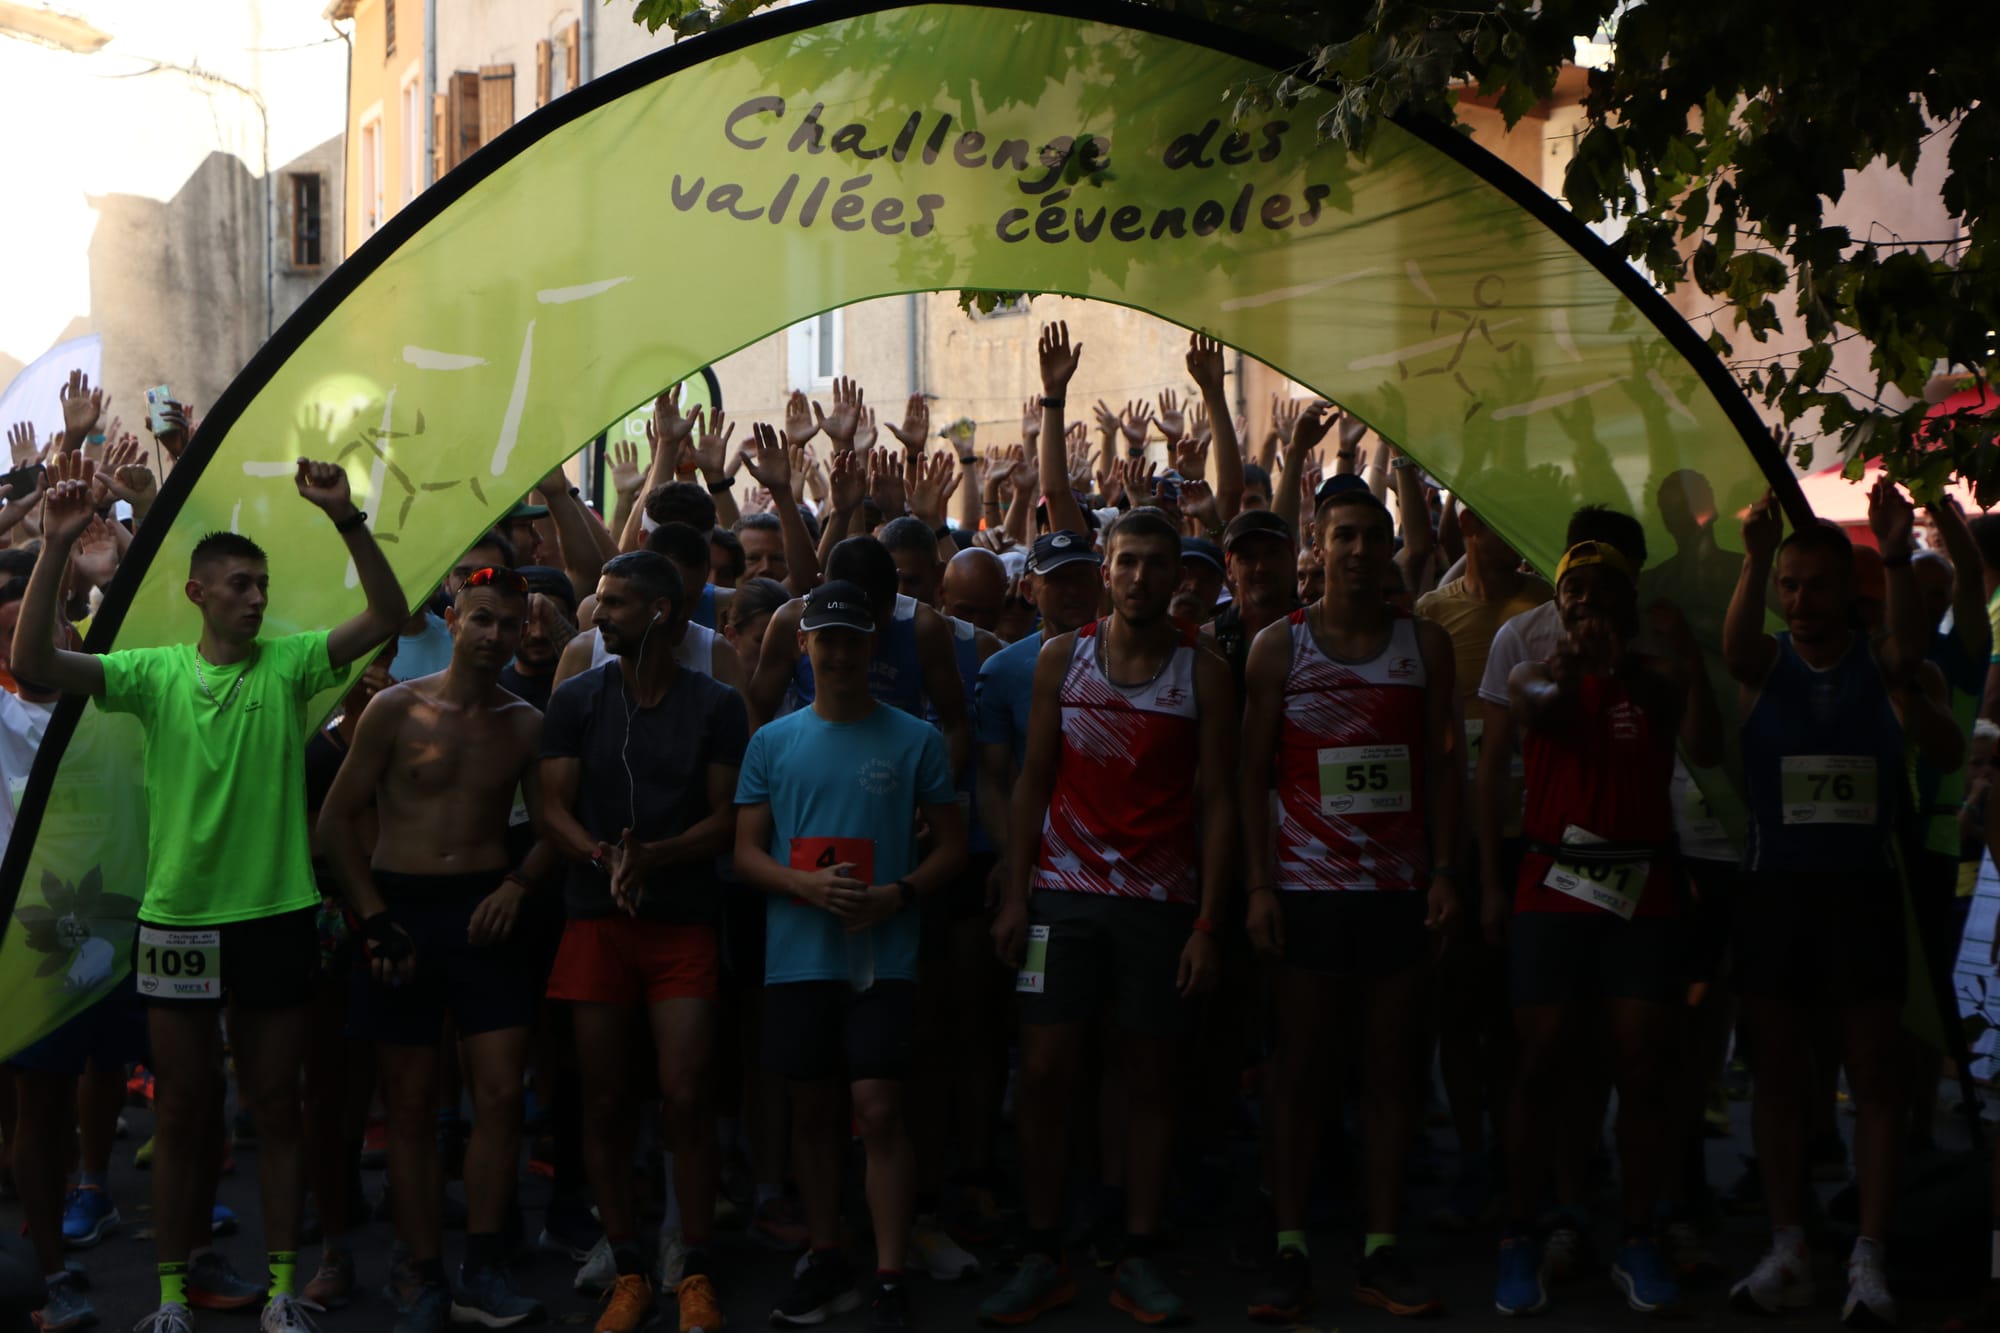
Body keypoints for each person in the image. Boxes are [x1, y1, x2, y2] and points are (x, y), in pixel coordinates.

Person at [11, 451, 408, 1333]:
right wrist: (52, 547)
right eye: (239, 585)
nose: (256, 598)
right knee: (186, 1112)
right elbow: (32, 654)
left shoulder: (294, 663)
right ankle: (168, 1298)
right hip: (178, 922)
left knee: (276, 1107)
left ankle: (279, 1290)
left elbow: (387, 614)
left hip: (275, 919)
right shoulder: (151, 674)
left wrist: (345, 516)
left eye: (262, 584)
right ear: (197, 594)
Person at [984, 508, 1236, 1326]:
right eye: (1126, 562)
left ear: (1177, 576)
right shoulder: (1064, 658)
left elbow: (1223, 802)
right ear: (1106, 569)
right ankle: (1041, 1249)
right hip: (1062, 896)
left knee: (1150, 1078)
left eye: (1157, 564)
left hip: (1158, 906)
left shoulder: (1204, 672)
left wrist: (1208, 922)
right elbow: (1032, 782)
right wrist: (1018, 894)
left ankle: (1140, 1252)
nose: (1139, 578)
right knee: (1047, 1073)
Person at [1723, 484, 1960, 1327]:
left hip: (1861, 900)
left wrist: (1896, 554)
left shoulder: (1891, 671)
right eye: (1788, 585)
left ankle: (1867, 1256)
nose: (1799, 601)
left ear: (1846, 595)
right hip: (1779, 900)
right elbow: (1737, 641)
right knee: (1782, 1079)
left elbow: (1908, 658)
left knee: (1875, 1081)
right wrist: (1753, 557)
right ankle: (1788, 1245)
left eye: (1814, 585)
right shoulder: (1765, 664)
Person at [1238, 474, 1460, 1322]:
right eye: (1345, 536)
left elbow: (1444, 764)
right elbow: (1250, 775)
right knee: (1299, 1073)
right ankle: (1291, 1246)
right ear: (1316, 545)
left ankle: (1380, 1246)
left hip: (1399, 892)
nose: (1360, 550)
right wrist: (1259, 885)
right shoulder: (1277, 649)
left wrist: (1445, 871)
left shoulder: (1424, 644)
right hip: (1304, 893)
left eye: (1374, 535)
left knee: (1393, 1072)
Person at [317, 564, 550, 1331]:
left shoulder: (523, 723)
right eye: (481, 618)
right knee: (410, 1104)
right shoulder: (392, 709)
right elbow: (337, 823)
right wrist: (376, 918)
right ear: (452, 619)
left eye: (508, 624)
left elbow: (553, 828)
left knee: (499, 1094)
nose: (493, 635)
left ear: (523, 632)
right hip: (402, 910)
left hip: (486, 910)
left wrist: (518, 883)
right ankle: (420, 1272)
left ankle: (482, 1265)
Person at [1491, 542, 1721, 1319]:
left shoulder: (1653, 678)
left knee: (1643, 1062)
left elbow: (1695, 728)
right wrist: (1576, 669)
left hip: (1643, 888)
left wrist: (1625, 665)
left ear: (1624, 605)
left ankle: (1640, 1232)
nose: (1585, 605)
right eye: (1572, 593)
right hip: (1554, 882)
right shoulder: (1536, 669)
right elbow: (1534, 706)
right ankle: (1523, 1233)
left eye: (1600, 593)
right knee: (1543, 1058)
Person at [733, 580, 967, 1330]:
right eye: (823, 638)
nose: (836, 652)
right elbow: (745, 852)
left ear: (874, 646)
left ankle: (891, 1271)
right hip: (797, 957)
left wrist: (897, 894)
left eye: (850, 638)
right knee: (812, 1111)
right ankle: (828, 1252)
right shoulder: (771, 741)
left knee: (879, 1107)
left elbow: (954, 847)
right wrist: (800, 880)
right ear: (804, 647)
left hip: (884, 957)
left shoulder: (917, 738)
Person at [539, 550, 749, 1333]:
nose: (600, 614)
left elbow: (729, 817)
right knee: (602, 1095)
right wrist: (604, 856)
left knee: (687, 1093)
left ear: (660, 612)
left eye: (617, 602)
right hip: (597, 914)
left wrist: (654, 856)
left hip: (683, 916)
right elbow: (552, 804)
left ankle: (692, 1263)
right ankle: (628, 1265)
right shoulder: (578, 698)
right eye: (598, 599)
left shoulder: (717, 704)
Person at [0, 574, 143, 1333]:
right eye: (17, 631)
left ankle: (96, 1202)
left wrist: (103, 560)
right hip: (29, 940)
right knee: (38, 1106)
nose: (38, 641)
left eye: (53, 622)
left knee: (134, 1078)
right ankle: (51, 1271)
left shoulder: (115, 708)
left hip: (122, 930)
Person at [1412, 498, 1552, 1229]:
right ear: (1467, 527)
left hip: (1529, 840)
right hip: (1455, 847)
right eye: (1499, 525)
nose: (1514, 542)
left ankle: (1521, 1153)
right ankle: (1474, 1152)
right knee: (1458, 1014)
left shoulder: (1544, 608)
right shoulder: (1432, 613)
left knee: (1519, 1017)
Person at [498, 566, 578, 712]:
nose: (538, 633)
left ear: (572, 620)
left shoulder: (591, 686)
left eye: (549, 618)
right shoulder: (490, 690)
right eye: (527, 619)